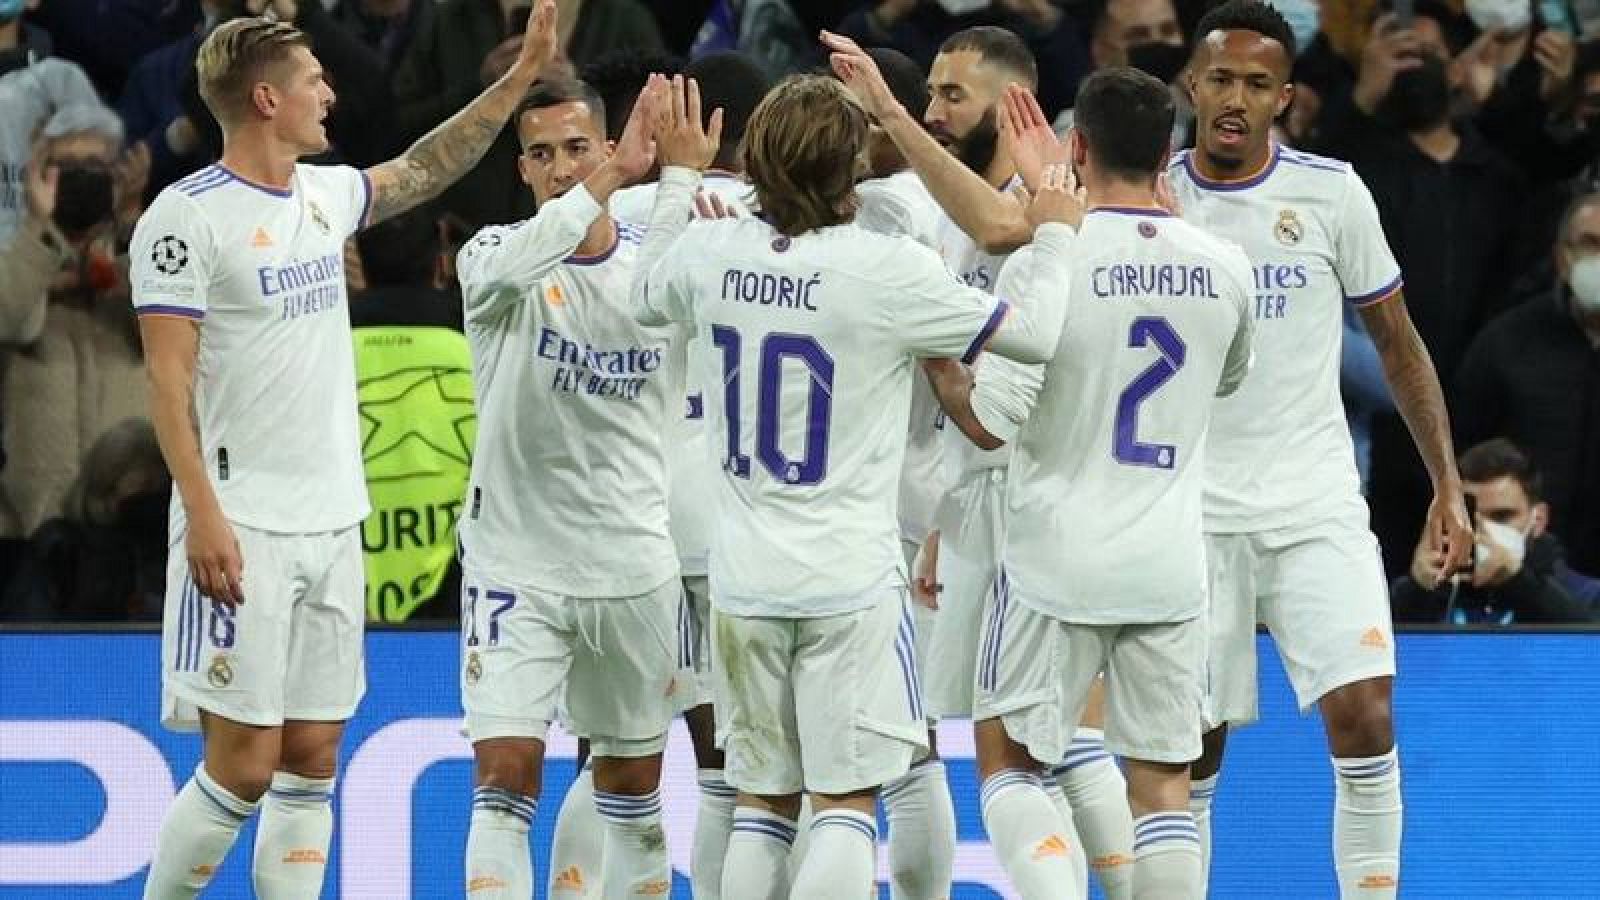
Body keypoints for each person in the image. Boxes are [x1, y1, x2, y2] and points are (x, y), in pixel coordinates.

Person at [130, 4, 564, 896]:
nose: (330, 90)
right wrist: (204, 517)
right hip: (240, 523)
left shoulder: (324, 196)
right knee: (243, 764)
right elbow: (167, 387)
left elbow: (424, 167)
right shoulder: (184, 219)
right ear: (264, 99)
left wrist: (515, 85)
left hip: (333, 521)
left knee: (314, 755)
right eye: (312, 80)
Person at [632, 71, 1073, 900]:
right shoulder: (888, 268)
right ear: (853, 172)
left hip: (742, 579)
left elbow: (642, 288)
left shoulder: (707, 250)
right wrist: (1052, 239)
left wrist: (680, 176)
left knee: (761, 806)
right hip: (849, 581)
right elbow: (1037, 335)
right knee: (844, 804)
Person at [1167, 2, 1473, 896]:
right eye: (1220, 78)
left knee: (1366, 711)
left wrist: (1446, 483)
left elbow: (1397, 341)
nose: (1235, 98)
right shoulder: (1151, 195)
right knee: (1189, 752)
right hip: (1188, 515)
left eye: (1257, 84)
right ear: (1193, 85)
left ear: (1285, 97)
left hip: (1313, 502)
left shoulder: (1331, 192)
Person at [928, 69, 1255, 900]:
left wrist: (936, 358)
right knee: (1163, 790)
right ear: (1171, 153)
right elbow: (1225, 380)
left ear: (1076, 148)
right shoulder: (1226, 265)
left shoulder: (1052, 265)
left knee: (1008, 761)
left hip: (1052, 561)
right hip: (1169, 565)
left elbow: (988, 423)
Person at [827, 26, 1138, 897]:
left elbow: (1003, 237)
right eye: (923, 94)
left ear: (1010, 104)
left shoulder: (1040, 207)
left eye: (950, 95)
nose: (931, 110)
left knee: (1004, 753)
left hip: (1021, 497)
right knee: (1029, 739)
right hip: (972, 502)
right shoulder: (955, 202)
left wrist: (886, 112)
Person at [453, 74, 687, 899]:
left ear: (606, 144)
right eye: (543, 154)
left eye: (579, 148)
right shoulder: (491, 260)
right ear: (523, 171)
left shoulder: (663, 263)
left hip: (633, 561)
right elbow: (539, 243)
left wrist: (678, 178)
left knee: (635, 798)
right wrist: (617, 176)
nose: (561, 167)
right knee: (506, 779)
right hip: (516, 562)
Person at [1454, 191, 1600, 577]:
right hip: (1518, 574)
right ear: (1561, 258)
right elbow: (1459, 456)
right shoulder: (1506, 343)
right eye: (1591, 244)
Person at [1391, 438, 1598, 624]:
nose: (1483, 532)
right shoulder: (1422, 589)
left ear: (1539, 520)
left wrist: (1520, 582)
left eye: (1502, 516)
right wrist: (1416, 591)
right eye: (1470, 516)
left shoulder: (1585, 594)